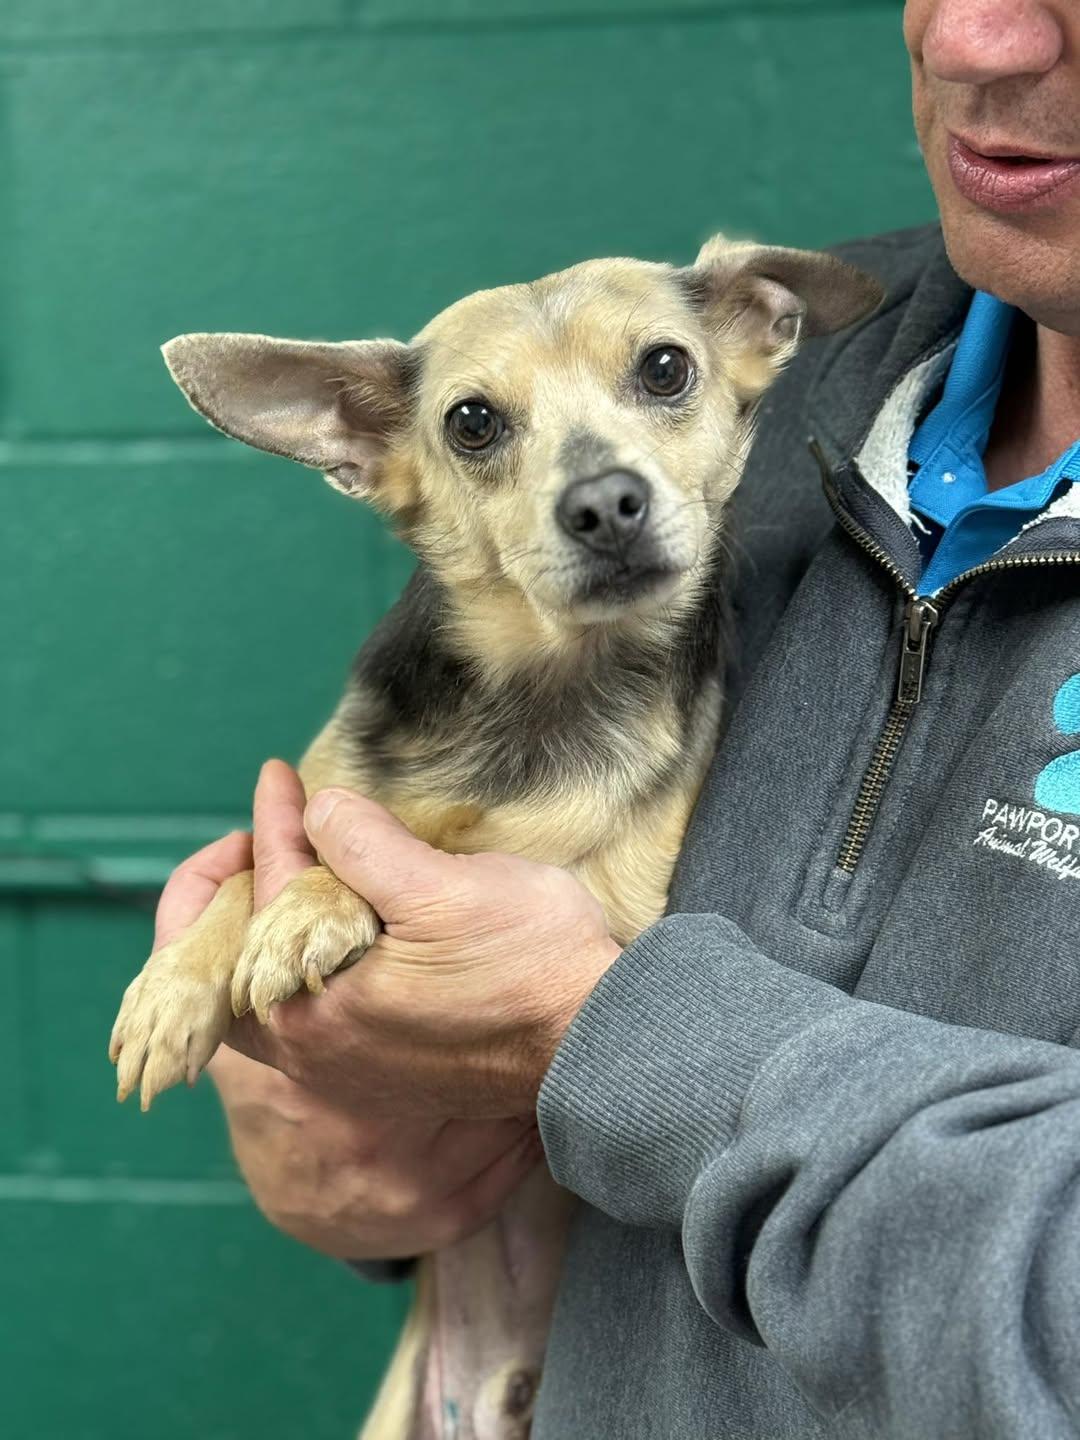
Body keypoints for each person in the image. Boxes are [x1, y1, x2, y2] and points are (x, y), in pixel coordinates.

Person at [156, 1, 1080, 1434]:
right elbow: (411, 1044)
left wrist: (595, 1035)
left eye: (658, 382)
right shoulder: (799, 382)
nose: (974, 39)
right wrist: (343, 1131)